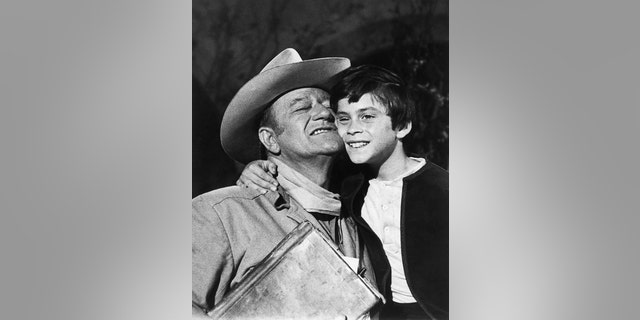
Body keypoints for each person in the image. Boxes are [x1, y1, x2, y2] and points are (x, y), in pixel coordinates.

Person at [238, 65, 449, 319]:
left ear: (401, 126)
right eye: (343, 118)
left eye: (367, 117)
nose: (352, 129)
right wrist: (256, 168)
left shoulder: (444, 190)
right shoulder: (349, 184)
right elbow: (300, 177)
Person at [192, 49, 381, 318]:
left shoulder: (360, 212)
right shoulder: (221, 213)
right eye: (302, 107)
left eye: (328, 105)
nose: (324, 113)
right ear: (270, 140)